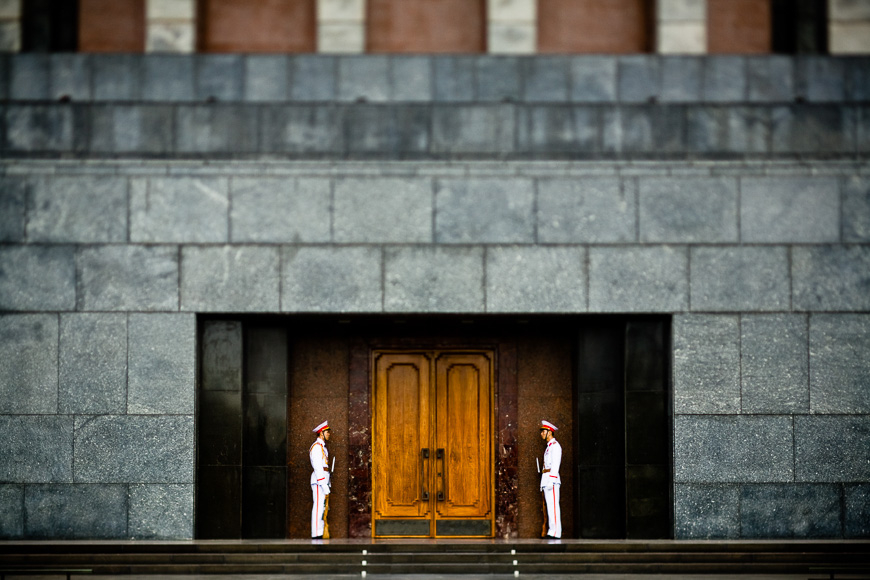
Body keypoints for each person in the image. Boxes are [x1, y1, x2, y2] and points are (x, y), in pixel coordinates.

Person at [539, 419, 562, 539]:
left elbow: (555, 465)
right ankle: (551, 531)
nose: (542, 434)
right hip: (546, 479)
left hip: (551, 481)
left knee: (553, 507)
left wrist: (551, 480)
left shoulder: (555, 447)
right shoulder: (549, 447)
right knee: (549, 507)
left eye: (543, 431)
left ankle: (555, 532)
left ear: (550, 432)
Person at [309, 420, 331, 538]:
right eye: (327, 432)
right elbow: (318, 468)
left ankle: (321, 531)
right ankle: (316, 533)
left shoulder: (323, 447)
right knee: (318, 506)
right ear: (321, 433)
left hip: (324, 480)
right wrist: (323, 484)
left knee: (323, 507)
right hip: (319, 481)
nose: (329, 434)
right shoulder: (317, 448)